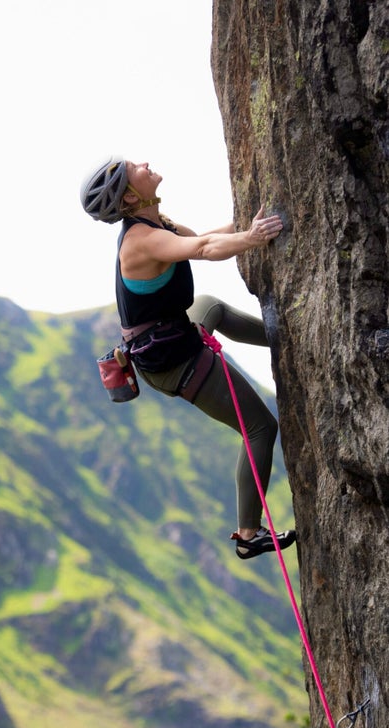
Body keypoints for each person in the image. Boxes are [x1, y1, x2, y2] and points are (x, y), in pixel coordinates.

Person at [80, 156, 296, 560]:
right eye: (135, 168)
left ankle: (281, 338)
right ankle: (249, 533)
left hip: (170, 335)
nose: (145, 163)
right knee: (260, 428)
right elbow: (203, 248)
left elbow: (201, 237)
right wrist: (253, 238)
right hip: (174, 362)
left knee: (209, 305)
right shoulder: (140, 241)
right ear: (129, 195)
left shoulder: (156, 224)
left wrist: (245, 225)